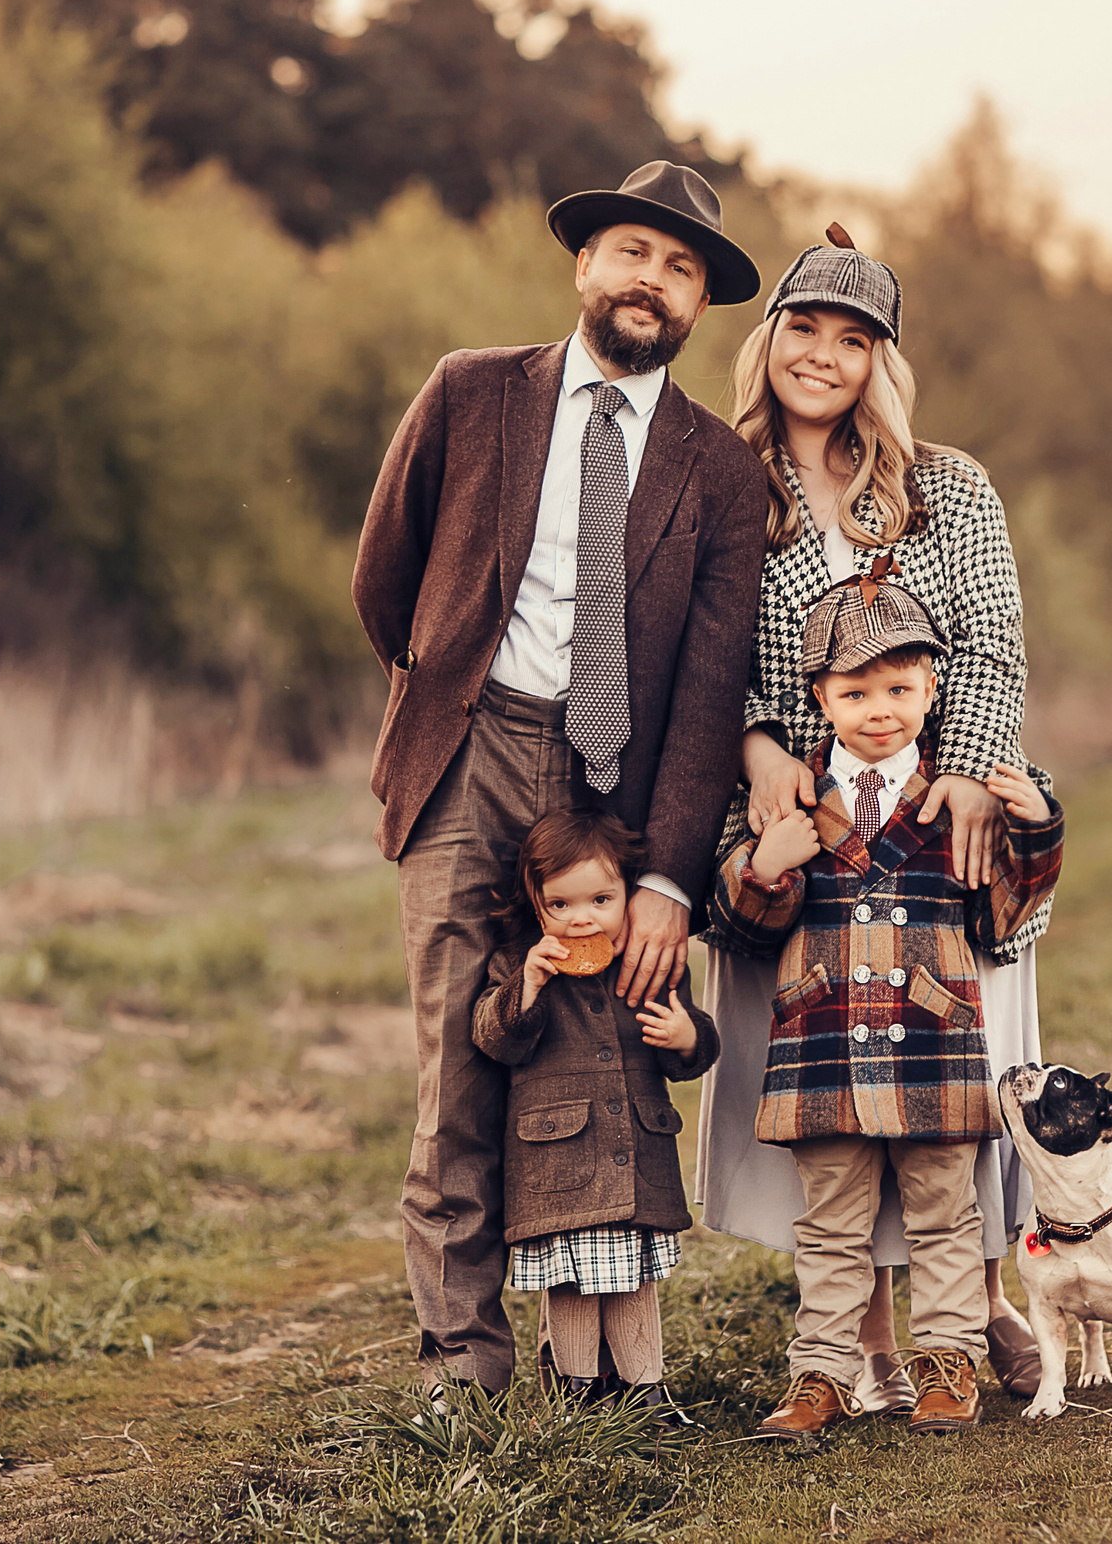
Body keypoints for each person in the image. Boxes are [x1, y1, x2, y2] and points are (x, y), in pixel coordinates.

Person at [352, 161, 771, 1405]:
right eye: (635, 252)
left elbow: (706, 695)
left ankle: (587, 1353)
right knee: (461, 1062)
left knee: (591, 1062)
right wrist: (443, 691)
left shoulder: (718, 470)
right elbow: (385, 578)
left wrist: (664, 881)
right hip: (469, 754)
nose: (655, 280)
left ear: (699, 307)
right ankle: (460, 1368)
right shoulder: (469, 393)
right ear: (585, 266)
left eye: (684, 268)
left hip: (614, 789)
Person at [694, 227, 1056, 1414]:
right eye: (804, 327)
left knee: (949, 1074)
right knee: (837, 1090)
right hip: (803, 823)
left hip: (937, 820)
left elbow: (994, 645)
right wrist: (755, 748)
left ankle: (981, 1302)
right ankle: (868, 1337)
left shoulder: (944, 484)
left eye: (854, 340)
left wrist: (966, 770)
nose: (823, 356)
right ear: (768, 337)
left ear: (880, 362)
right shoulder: (723, 485)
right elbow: (709, 656)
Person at [709, 574, 1063, 1440]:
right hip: (822, 1047)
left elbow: (1001, 916)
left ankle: (948, 1362)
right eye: (855, 691)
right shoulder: (788, 804)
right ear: (819, 697)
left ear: (933, 688)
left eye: (900, 689)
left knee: (949, 1215)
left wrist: (1039, 829)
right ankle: (821, 1374)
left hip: (933, 1049)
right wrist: (762, 870)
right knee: (830, 1228)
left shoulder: (954, 802)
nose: (880, 710)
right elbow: (737, 927)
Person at [471, 810, 720, 1425]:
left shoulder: (648, 961)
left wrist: (686, 1035)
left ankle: (648, 1392)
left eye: (602, 899)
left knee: (635, 1282)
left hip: (636, 1154)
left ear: (629, 893)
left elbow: (695, 1054)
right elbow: (493, 1038)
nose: (583, 919)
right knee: (573, 1286)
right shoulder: (519, 964)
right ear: (536, 903)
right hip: (556, 1164)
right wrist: (526, 986)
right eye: (561, 904)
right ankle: (576, 1395)